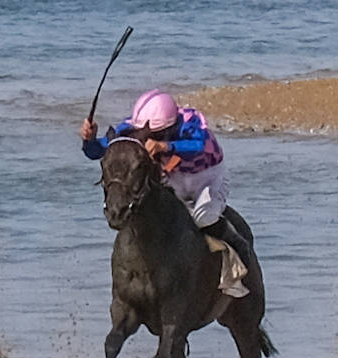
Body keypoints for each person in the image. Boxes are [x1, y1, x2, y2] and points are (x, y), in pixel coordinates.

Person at [79, 89, 253, 271]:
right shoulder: (132, 130)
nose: (149, 138)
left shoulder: (191, 124)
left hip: (208, 177)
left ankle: (238, 244)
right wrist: (89, 141)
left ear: (170, 127)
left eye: (157, 135)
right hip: (174, 176)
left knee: (203, 218)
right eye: (145, 133)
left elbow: (199, 146)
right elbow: (98, 152)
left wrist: (166, 146)